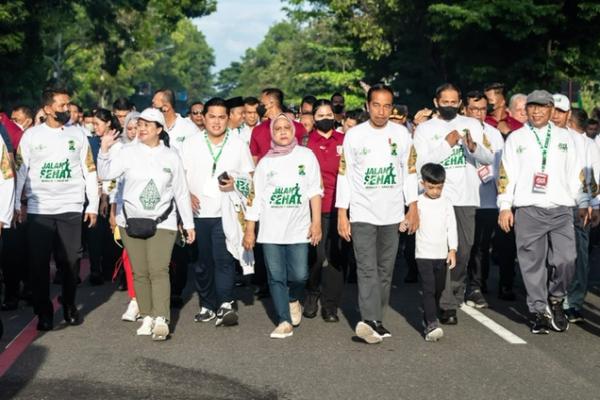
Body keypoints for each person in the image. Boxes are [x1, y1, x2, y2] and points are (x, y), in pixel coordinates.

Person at [97, 107, 195, 341]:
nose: (141, 128)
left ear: (159, 130)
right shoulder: (127, 152)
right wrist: (104, 149)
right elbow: (106, 174)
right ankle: (147, 315)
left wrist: (189, 224)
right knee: (140, 272)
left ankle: (161, 318)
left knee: (158, 269)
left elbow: (181, 192)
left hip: (164, 221)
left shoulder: (171, 156)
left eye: (147, 125)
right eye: (139, 124)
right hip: (130, 220)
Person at [336, 83, 418, 344]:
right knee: (366, 267)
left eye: (386, 106)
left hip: (392, 214)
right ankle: (368, 319)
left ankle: (377, 320)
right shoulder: (354, 136)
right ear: (367, 106)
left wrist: (413, 207)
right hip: (362, 213)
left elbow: (410, 172)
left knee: (385, 269)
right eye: (376, 105)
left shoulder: (403, 135)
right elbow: (344, 176)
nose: (381, 111)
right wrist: (342, 212)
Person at [497, 90, 584, 334]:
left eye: (542, 107)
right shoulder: (516, 138)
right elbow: (506, 174)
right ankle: (538, 311)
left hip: (561, 208)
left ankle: (556, 298)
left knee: (566, 259)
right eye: (532, 107)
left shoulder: (565, 137)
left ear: (551, 110)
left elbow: (577, 173)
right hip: (528, 208)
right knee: (531, 263)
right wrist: (505, 206)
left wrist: (586, 202)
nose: (536, 112)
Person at [14, 87, 99, 331]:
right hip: (40, 209)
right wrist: (17, 204)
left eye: (68, 105)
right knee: (38, 263)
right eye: (62, 105)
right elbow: (20, 171)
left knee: (70, 261)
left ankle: (70, 303)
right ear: (48, 108)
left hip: (70, 207)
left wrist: (92, 204)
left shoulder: (79, 135)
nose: (67, 109)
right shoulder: (32, 137)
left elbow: (89, 171)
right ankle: (44, 311)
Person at [412, 83, 494, 325]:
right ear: (436, 102)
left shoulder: (471, 124)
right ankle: (445, 302)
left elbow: (488, 157)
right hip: (435, 198)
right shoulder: (425, 129)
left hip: (466, 198)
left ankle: (453, 293)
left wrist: (472, 147)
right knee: (438, 251)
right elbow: (422, 165)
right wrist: (446, 144)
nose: (449, 105)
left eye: (453, 101)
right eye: (444, 101)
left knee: (463, 250)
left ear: (460, 103)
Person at [243, 113, 322, 339]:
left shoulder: (306, 156)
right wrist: (250, 229)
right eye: (277, 129)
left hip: (299, 228)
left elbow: (314, 191)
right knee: (276, 276)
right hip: (271, 231)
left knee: (300, 275)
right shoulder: (265, 163)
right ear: (271, 134)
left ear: (294, 130)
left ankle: (292, 298)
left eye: (287, 127)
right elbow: (255, 198)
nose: (283, 132)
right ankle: (283, 320)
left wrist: (316, 223)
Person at [180, 98, 254, 326]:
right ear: (204, 117)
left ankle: (226, 302)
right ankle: (207, 305)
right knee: (203, 262)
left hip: (226, 211)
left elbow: (249, 179)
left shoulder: (238, 144)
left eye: (222, 117)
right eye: (212, 116)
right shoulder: (190, 143)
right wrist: (187, 195)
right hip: (198, 212)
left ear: (228, 118)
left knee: (224, 258)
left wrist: (235, 184)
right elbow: (179, 176)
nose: (217, 122)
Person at [303, 99, 346, 322]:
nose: (326, 119)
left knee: (337, 258)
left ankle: (331, 306)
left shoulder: (345, 140)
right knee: (317, 257)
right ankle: (312, 292)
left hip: (340, 207)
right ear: (313, 118)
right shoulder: (307, 143)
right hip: (315, 208)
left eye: (329, 114)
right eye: (320, 116)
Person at [463, 91, 505, 306]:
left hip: (488, 198)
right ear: (465, 109)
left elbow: (499, 161)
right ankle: (464, 283)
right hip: (464, 197)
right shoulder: (458, 130)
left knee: (482, 244)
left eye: (482, 109)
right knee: (465, 244)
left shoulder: (494, 133)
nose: (478, 113)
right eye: (473, 109)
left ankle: (477, 285)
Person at [560, 104, 600, 323]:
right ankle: (560, 298)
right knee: (562, 254)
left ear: (568, 120)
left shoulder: (588, 145)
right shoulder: (557, 139)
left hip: (578, 205)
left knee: (579, 255)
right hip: (555, 204)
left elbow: (594, 176)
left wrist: (595, 204)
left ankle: (572, 302)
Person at [411, 163, 457, 341]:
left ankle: (430, 313)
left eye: (439, 187)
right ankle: (431, 323)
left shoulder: (446, 203)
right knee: (428, 288)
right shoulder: (418, 202)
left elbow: (451, 227)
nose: (436, 191)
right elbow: (410, 221)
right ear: (423, 184)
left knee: (439, 289)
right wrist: (405, 223)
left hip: (441, 253)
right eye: (431, 187)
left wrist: (452, 249)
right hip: (423, 253)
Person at [87, 108, 122, 285]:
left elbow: (116, 175)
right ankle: (95, 270)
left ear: (108, 123)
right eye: (92, 124)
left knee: (111, 234)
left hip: (113, 194)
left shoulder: (119, 144)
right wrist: (99, 193)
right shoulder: (91, 142)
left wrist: (107, 195)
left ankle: (112, 269)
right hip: (95, 193)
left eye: (97, 123)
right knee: (94, 233)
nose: (94, 127)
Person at [249, 88, 307, 164]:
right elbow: (254, 159)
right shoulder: (257, 130)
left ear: (271, 103)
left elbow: (304, 153)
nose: (259, 106)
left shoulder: (298, 128)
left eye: (262, 103)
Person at [152, 88, 201, 153]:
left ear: (165, 108)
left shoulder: (190, 129)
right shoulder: (149, 129)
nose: (151, 109)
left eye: (154, 106)